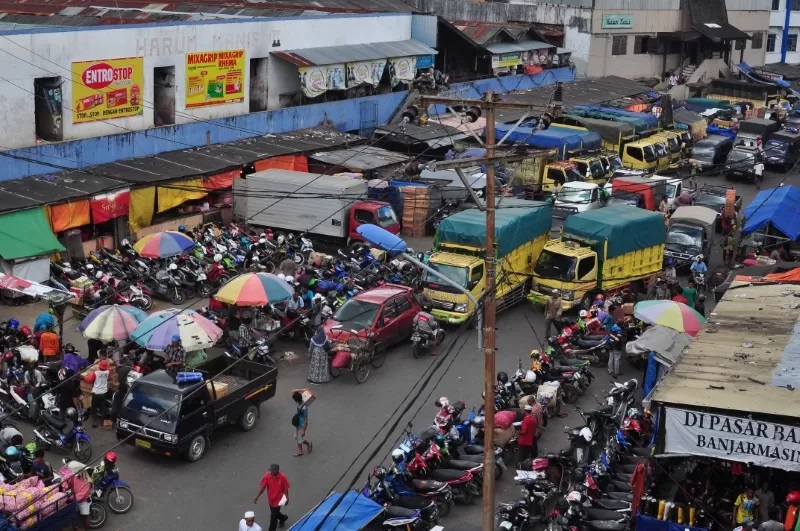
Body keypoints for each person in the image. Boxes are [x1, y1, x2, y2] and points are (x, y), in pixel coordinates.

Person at [254, 463, 290, 531]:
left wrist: (287, 497)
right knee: (275, 513)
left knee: (273, 518)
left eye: (274, 471)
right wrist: (257, 496)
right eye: (271, 471)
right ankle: (283, 518)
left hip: (280, 499)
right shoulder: (267, 476)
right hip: (271, 499)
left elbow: (285, 488)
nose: (272, 472)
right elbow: (263, 487)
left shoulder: (283, 477)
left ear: (278, 470)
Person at [82, 359, 110, 429]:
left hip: (96, 393)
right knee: (102, 408)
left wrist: (84, 376)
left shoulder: (96, 373)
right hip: (103, 393)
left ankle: (94, 423)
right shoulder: (107, 372)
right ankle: (102, 423)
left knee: (94, 408)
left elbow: (89, 380)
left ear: (99, 366)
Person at [292, 391, 312, 456]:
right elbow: (293, 391)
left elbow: (306, 420)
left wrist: (304, 430)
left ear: (296, 400)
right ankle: (307, 444)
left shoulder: (304, 408)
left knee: (299, 438)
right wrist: (304, 389)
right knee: (297, 437)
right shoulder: (300, 401)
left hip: (301, 422)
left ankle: (301, 451)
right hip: (298, 421)